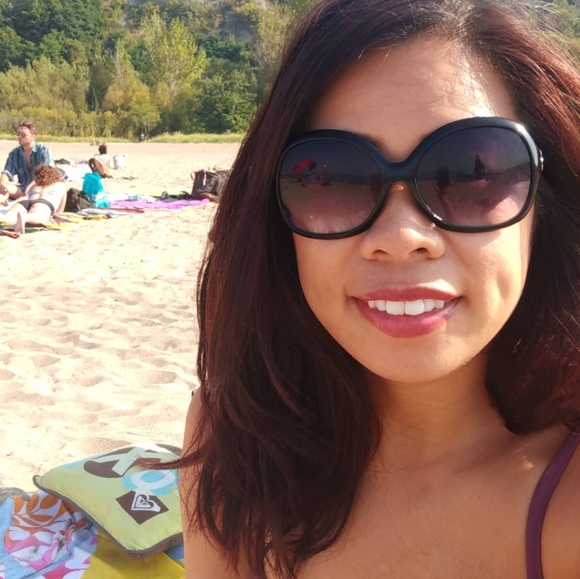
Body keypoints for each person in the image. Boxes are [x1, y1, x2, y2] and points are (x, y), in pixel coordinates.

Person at [173, 1, 580, 577]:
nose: (400, 237)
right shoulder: (234, 437)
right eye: (330, 178)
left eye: (474, 173)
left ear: (546, 201)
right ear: (275, 221)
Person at [0, 121, 54, 204]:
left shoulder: (43, 150)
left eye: (23, 135)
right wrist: (2, 185)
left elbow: (47, 173)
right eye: (18, 134)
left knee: (34, 193)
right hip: (24, 189)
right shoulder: (14, 153)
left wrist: (31, 186)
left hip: (41, 188)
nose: (19, 137)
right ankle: (4, 202)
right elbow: (7, 172)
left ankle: (17, 203)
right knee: (5, 188)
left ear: (33, 136)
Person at [3, 165, 66, 234]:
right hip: (43, 203)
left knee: (7, 218)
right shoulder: (61, 185)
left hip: (24, 202)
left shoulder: (35, 185)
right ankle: (25, 217)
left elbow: (26, 196)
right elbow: (60, 210)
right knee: (38, 217)